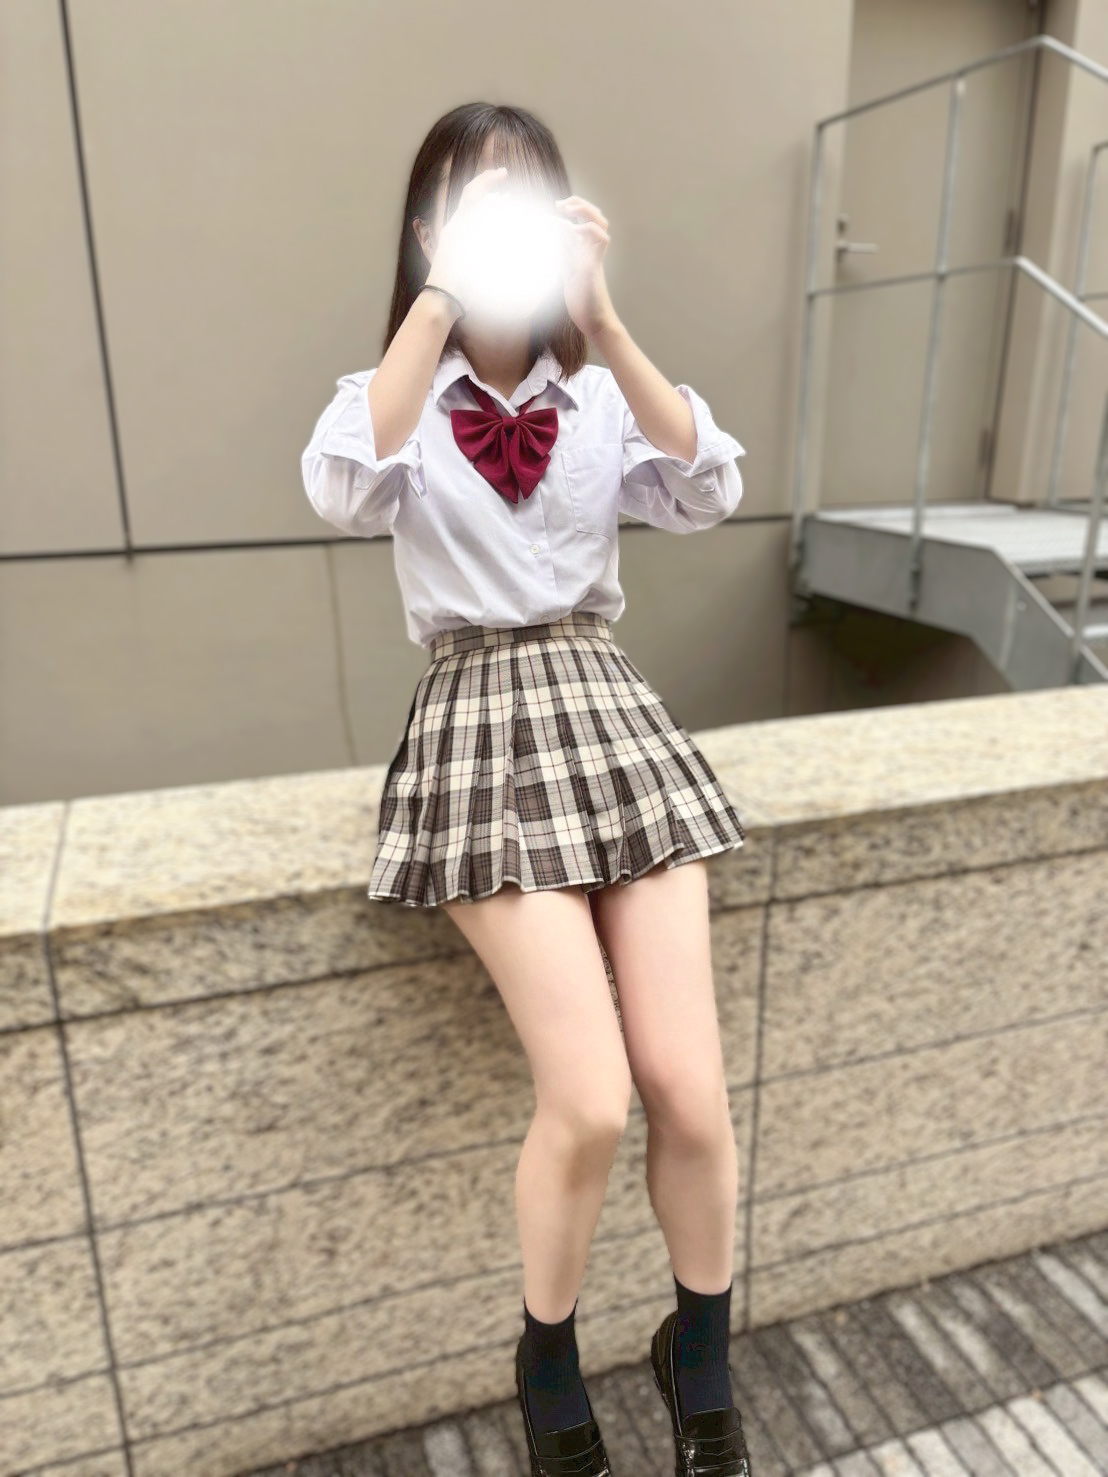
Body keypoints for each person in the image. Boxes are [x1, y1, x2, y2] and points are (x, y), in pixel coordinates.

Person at [301, 102, 752, 1477]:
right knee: (592, 1096)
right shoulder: (392, 392)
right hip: (481, 722)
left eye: (524, 199)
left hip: (607, 712)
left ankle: (701, 1357)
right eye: (471, 201)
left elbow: (708, 486)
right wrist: (440, 302)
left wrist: (599, 317)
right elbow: (343, 486)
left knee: (689, 1088)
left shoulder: (598, 394)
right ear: (427, 229)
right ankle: (546, 1352)